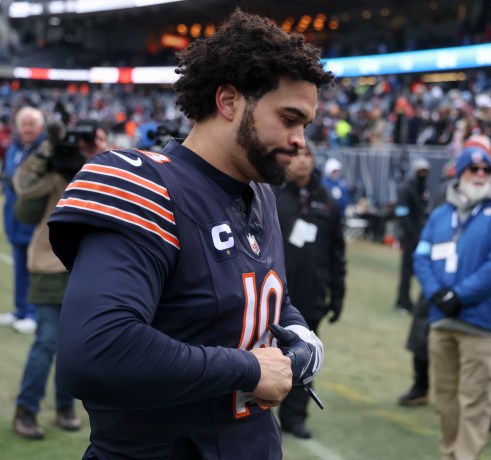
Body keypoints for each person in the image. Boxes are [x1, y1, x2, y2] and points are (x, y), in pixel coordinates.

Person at [47, 9, 332, 459]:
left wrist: (300, 335)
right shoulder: (144, 185)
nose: (301, 140)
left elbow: (260, 298)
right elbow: (97, 352)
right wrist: (246, 368)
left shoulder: (260, 194)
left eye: (306, 125)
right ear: (229, 101)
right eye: (290, 118)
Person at [414, 148, 491, 460]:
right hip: (441, 320)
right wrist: (437, 294)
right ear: (460, 174)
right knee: (445, 397)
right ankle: (450, 453)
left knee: (475, 400)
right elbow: (421, 256)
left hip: (478, 324)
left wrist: (459, 295)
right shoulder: (440, 215)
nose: (481, 174)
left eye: (487, 169)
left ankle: (466, 456)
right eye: (474, 169)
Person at [11, 120, 109, 440]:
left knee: (73, 346)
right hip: (49, 269)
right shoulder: (52, 176)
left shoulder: (101, 171)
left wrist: (100, 155)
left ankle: (65, 406)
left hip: (86, 270)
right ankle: (26, 409)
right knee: (47, 342)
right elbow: (22, 194)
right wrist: (45, 154)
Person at [272, 140, 346, 439]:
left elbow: (337, 252)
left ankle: (295, 417)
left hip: (312, 294)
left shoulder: (327, 200)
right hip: (275, 295)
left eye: (308, 155)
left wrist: (337, 294)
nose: (302, 160)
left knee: (304, 357)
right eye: (298, 154)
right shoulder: (272, 194)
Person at [0, 106, 45, 334]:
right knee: (19, 267)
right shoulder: (14, 147)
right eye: (24, 124)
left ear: (40, 127)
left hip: (36, 223)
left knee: (35, 270)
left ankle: (33, 314)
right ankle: (20, 310)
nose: (27, 129)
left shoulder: (45, 150)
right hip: (13, 219)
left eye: (31, 124)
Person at [394, 158, 431, 313]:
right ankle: (403, 301)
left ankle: (409, 301)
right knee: (407, 270)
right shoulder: (406, 188)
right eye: (420, 172)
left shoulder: (423, 189)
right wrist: (412, 233)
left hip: (419, 235)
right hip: (410, 236)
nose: (423, 175)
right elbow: (402, 213)